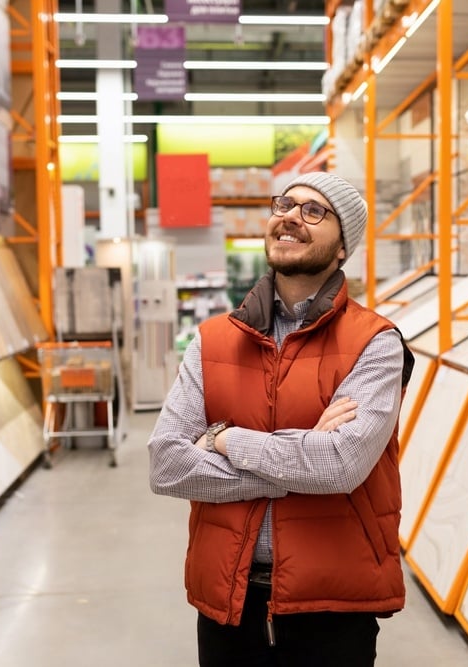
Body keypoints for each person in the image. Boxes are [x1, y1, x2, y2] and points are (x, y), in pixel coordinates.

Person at [148, 171, 415, 666]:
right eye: (285, 205)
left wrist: (223, 439)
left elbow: (339, 467)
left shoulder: (376, 343)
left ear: (342, 247)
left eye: (315, 211)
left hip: (332, 604)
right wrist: (299, 457)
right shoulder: (212, 342)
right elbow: (166, 465)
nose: (291, 217)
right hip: (229, 599)